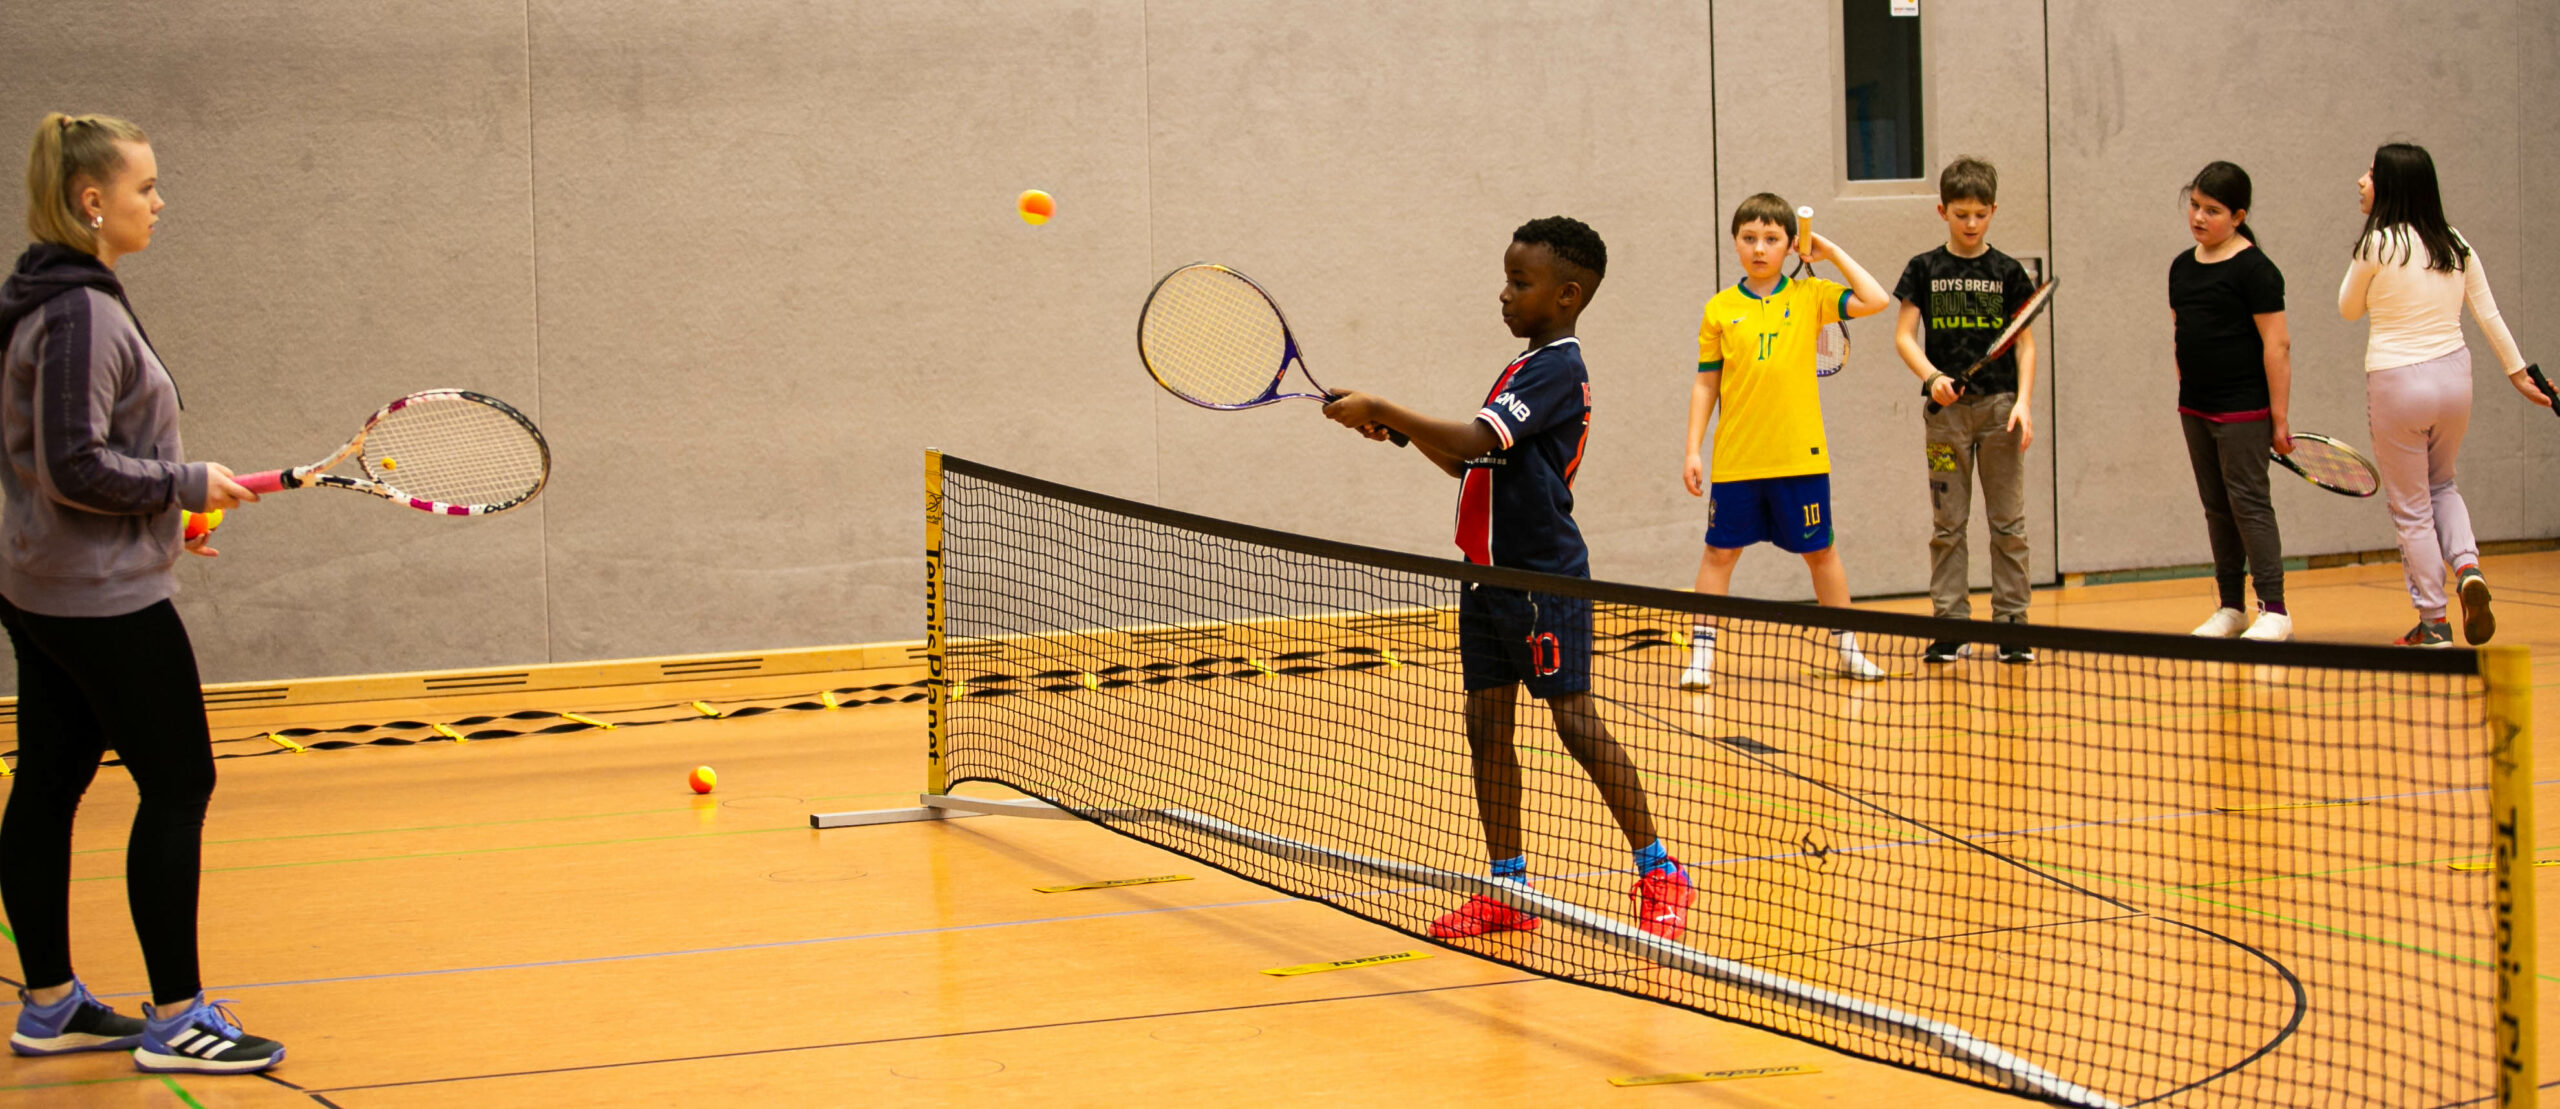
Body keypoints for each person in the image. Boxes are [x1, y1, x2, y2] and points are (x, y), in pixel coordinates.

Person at [1321, 217, 1695, 942]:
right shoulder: (1524, 366)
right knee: (1487, 729)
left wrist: (1384, 405)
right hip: (1484, 581)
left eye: (1519, 283)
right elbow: (1472, 463)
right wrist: (1401, 435)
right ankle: (1509, 887)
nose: (1504, 293)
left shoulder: (1560, 368)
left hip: (1541, 581)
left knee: (1575, 722)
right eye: (1506, 278)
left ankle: (1659, 870)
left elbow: (1470, 438)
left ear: (1566, 294)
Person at [0, 113, 282, 1073]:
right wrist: (179, 485)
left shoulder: (49, 296)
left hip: (49, 582)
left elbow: (64, 460)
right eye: (145, 188)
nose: (158, 203)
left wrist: (170, 512)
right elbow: (74, 462)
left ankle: (48, 1003)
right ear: (93, 202)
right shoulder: (79, 310)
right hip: (99, 598)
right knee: (179, 782)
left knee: (49, 781)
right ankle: (178, 1019)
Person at [2338, 141, 2551, 647]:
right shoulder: (2455, 243)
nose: (2360, 181)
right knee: (2443, 486)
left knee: (2411, 507)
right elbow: (2489, 315)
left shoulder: (2377, 246)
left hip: (2397, 383)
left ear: (2390, 185)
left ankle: (2434, 622)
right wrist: (2519, 374)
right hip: (2455, 380)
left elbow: (2348, 309)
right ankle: (2469, 568)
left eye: (2370, 174)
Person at [1679, 194, 1894, 688]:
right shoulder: (1719, 309)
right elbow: (1706, 383)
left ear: (1789, 245)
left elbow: (1877, 299)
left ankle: (1849, 648)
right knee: (1718, 554)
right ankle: (1702, 658)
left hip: (1800, 456)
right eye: (1749, 238)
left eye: (1772, 239)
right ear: (1735, 243)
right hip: (1737, 458)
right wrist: (1693, 448)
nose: (1759, 248)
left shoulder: (1811, 295)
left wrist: (1831, 252)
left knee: (1821, 553)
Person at [1891, 156, 2039, 664]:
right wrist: (1932, 378)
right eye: (1961, 214)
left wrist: (2024, 401)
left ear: (1993, 211)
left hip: (1999, 411)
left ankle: (2013, 625)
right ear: (1942, 211)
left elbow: (2024, 344)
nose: (1971, 224)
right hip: (1946, 418)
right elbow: (1904, 337)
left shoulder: (2008, 272)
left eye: (1980, 214)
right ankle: (1951, 625)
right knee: (1947, 526)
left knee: (2008, 525)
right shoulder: (1924, 268)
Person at [2170, 162, 2295, 642]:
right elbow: (2180, 334)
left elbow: (2277, 346)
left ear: (2238, 215)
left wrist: (2278, 419)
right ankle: (2230, 607)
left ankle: (2276, 610)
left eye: (2213, 210)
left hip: (2243, 409)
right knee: (2216, 508)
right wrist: (2186, 392)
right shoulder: (2182, 267)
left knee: (2249, 505)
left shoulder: (2257, 271)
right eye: (2195, 206)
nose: (2199, 217)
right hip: (2195, 408)